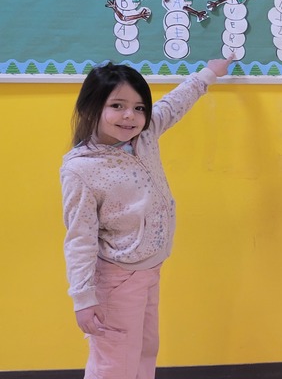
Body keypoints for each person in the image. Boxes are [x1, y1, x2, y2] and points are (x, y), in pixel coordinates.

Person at [61, 56, 233, 379]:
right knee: (115, 363)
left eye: (139, 107)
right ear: (90, 108)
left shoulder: (145, 135)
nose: (130, 115)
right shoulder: (81, 169)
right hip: (117, 279)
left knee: (144, 350)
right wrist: (83, 298)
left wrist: (209, 73)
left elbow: (174, 103)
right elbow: (79, 238)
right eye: (117, 106)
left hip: (150, 269)